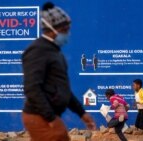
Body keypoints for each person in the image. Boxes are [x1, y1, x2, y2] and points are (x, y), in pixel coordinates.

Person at [22, 2, 96, 141]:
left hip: (47, 115)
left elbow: (63, 88)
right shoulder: (37, 51)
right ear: (53, 30)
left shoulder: (55, 52)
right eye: (65, 30)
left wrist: (81, 113)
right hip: (39, 116)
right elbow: (31, 88)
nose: (68, 33)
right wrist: (50, 118)